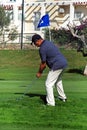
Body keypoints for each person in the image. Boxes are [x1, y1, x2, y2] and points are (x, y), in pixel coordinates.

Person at [31, 34, 68, 106]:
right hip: (64, 63)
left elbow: (43, 64)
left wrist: (39, 72)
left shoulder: (42, 48)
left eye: (34, 43)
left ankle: (51, 103)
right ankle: (63, 97)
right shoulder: (49, 42)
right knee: (58, 81)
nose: (35, 45)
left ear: (37, 41)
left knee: (48, 84)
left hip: (57, 65)